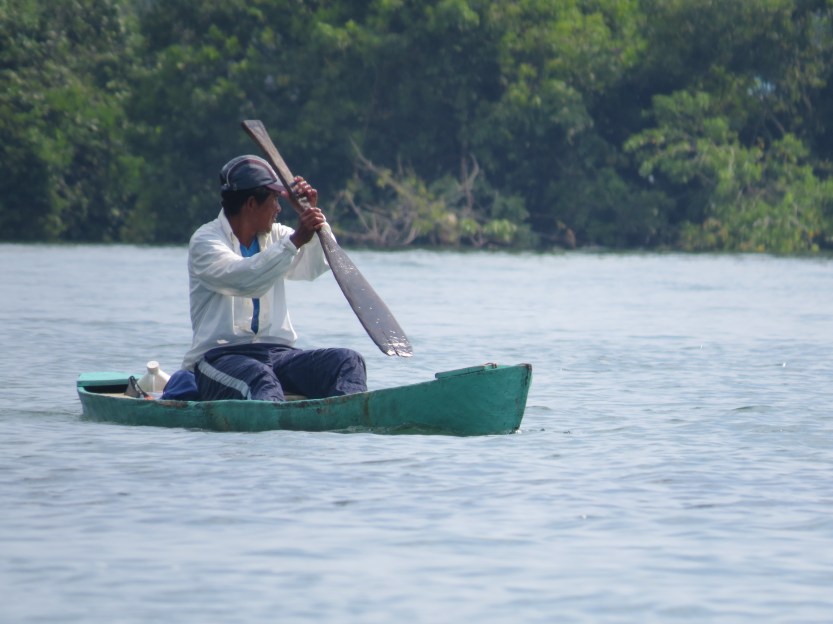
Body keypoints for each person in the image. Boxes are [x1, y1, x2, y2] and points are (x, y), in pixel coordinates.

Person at [167, 154, 367, 402]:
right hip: (218, 358)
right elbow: (244, 279)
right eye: (274, 199)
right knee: (259, 377)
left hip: (278, 355)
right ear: (251, 204)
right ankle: (275, 432)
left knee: (347, 361)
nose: (279, 208)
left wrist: (314, 219)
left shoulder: (278, 236)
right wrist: (294, 241)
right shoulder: (206, 241)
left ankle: (347, 418)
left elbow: (316, 265)